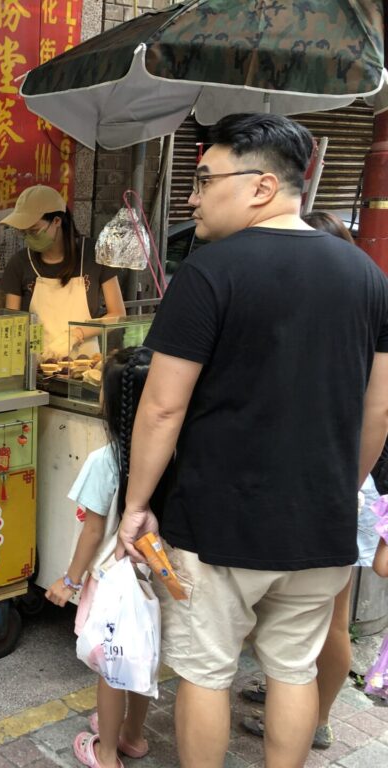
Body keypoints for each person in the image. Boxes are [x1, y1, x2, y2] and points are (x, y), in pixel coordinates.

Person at [117, 113, 388, 768]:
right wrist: (340, 486)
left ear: (262, 186)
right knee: (294, 667)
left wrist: (135, 505)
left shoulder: (208, 273)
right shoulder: (367, 276)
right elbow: (379, 407)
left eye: (205, 179)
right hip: (320, 520)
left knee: (207, 672)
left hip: (218, 519)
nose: (191, 196)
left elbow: (161, 406)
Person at [239, 210, 379, 749]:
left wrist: (347, 485)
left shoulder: (352, 317)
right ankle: (293, 697)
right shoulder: (352, 310)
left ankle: (317, 719)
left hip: (343, 483)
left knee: (332, 620)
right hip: (335, 482)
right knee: (299, 618)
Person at [46, 347, 156, 768]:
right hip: (154, 577)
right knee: (142, 656)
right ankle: (133, 735)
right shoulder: (171, 455)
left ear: (107, 403)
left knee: (112, 668)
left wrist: (69, 581)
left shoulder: (105, 460)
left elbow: (93, 531)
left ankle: (106, 753)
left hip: (115, 581)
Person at [0, 185, 124, 357]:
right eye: (24, 233)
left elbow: (117, 314)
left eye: (34, 230)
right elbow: (12, 325)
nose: (29, 237)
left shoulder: (94, 254)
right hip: (38, 366)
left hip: (85, 365)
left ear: (57, 221)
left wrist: (77, 334)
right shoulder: (19, 263)